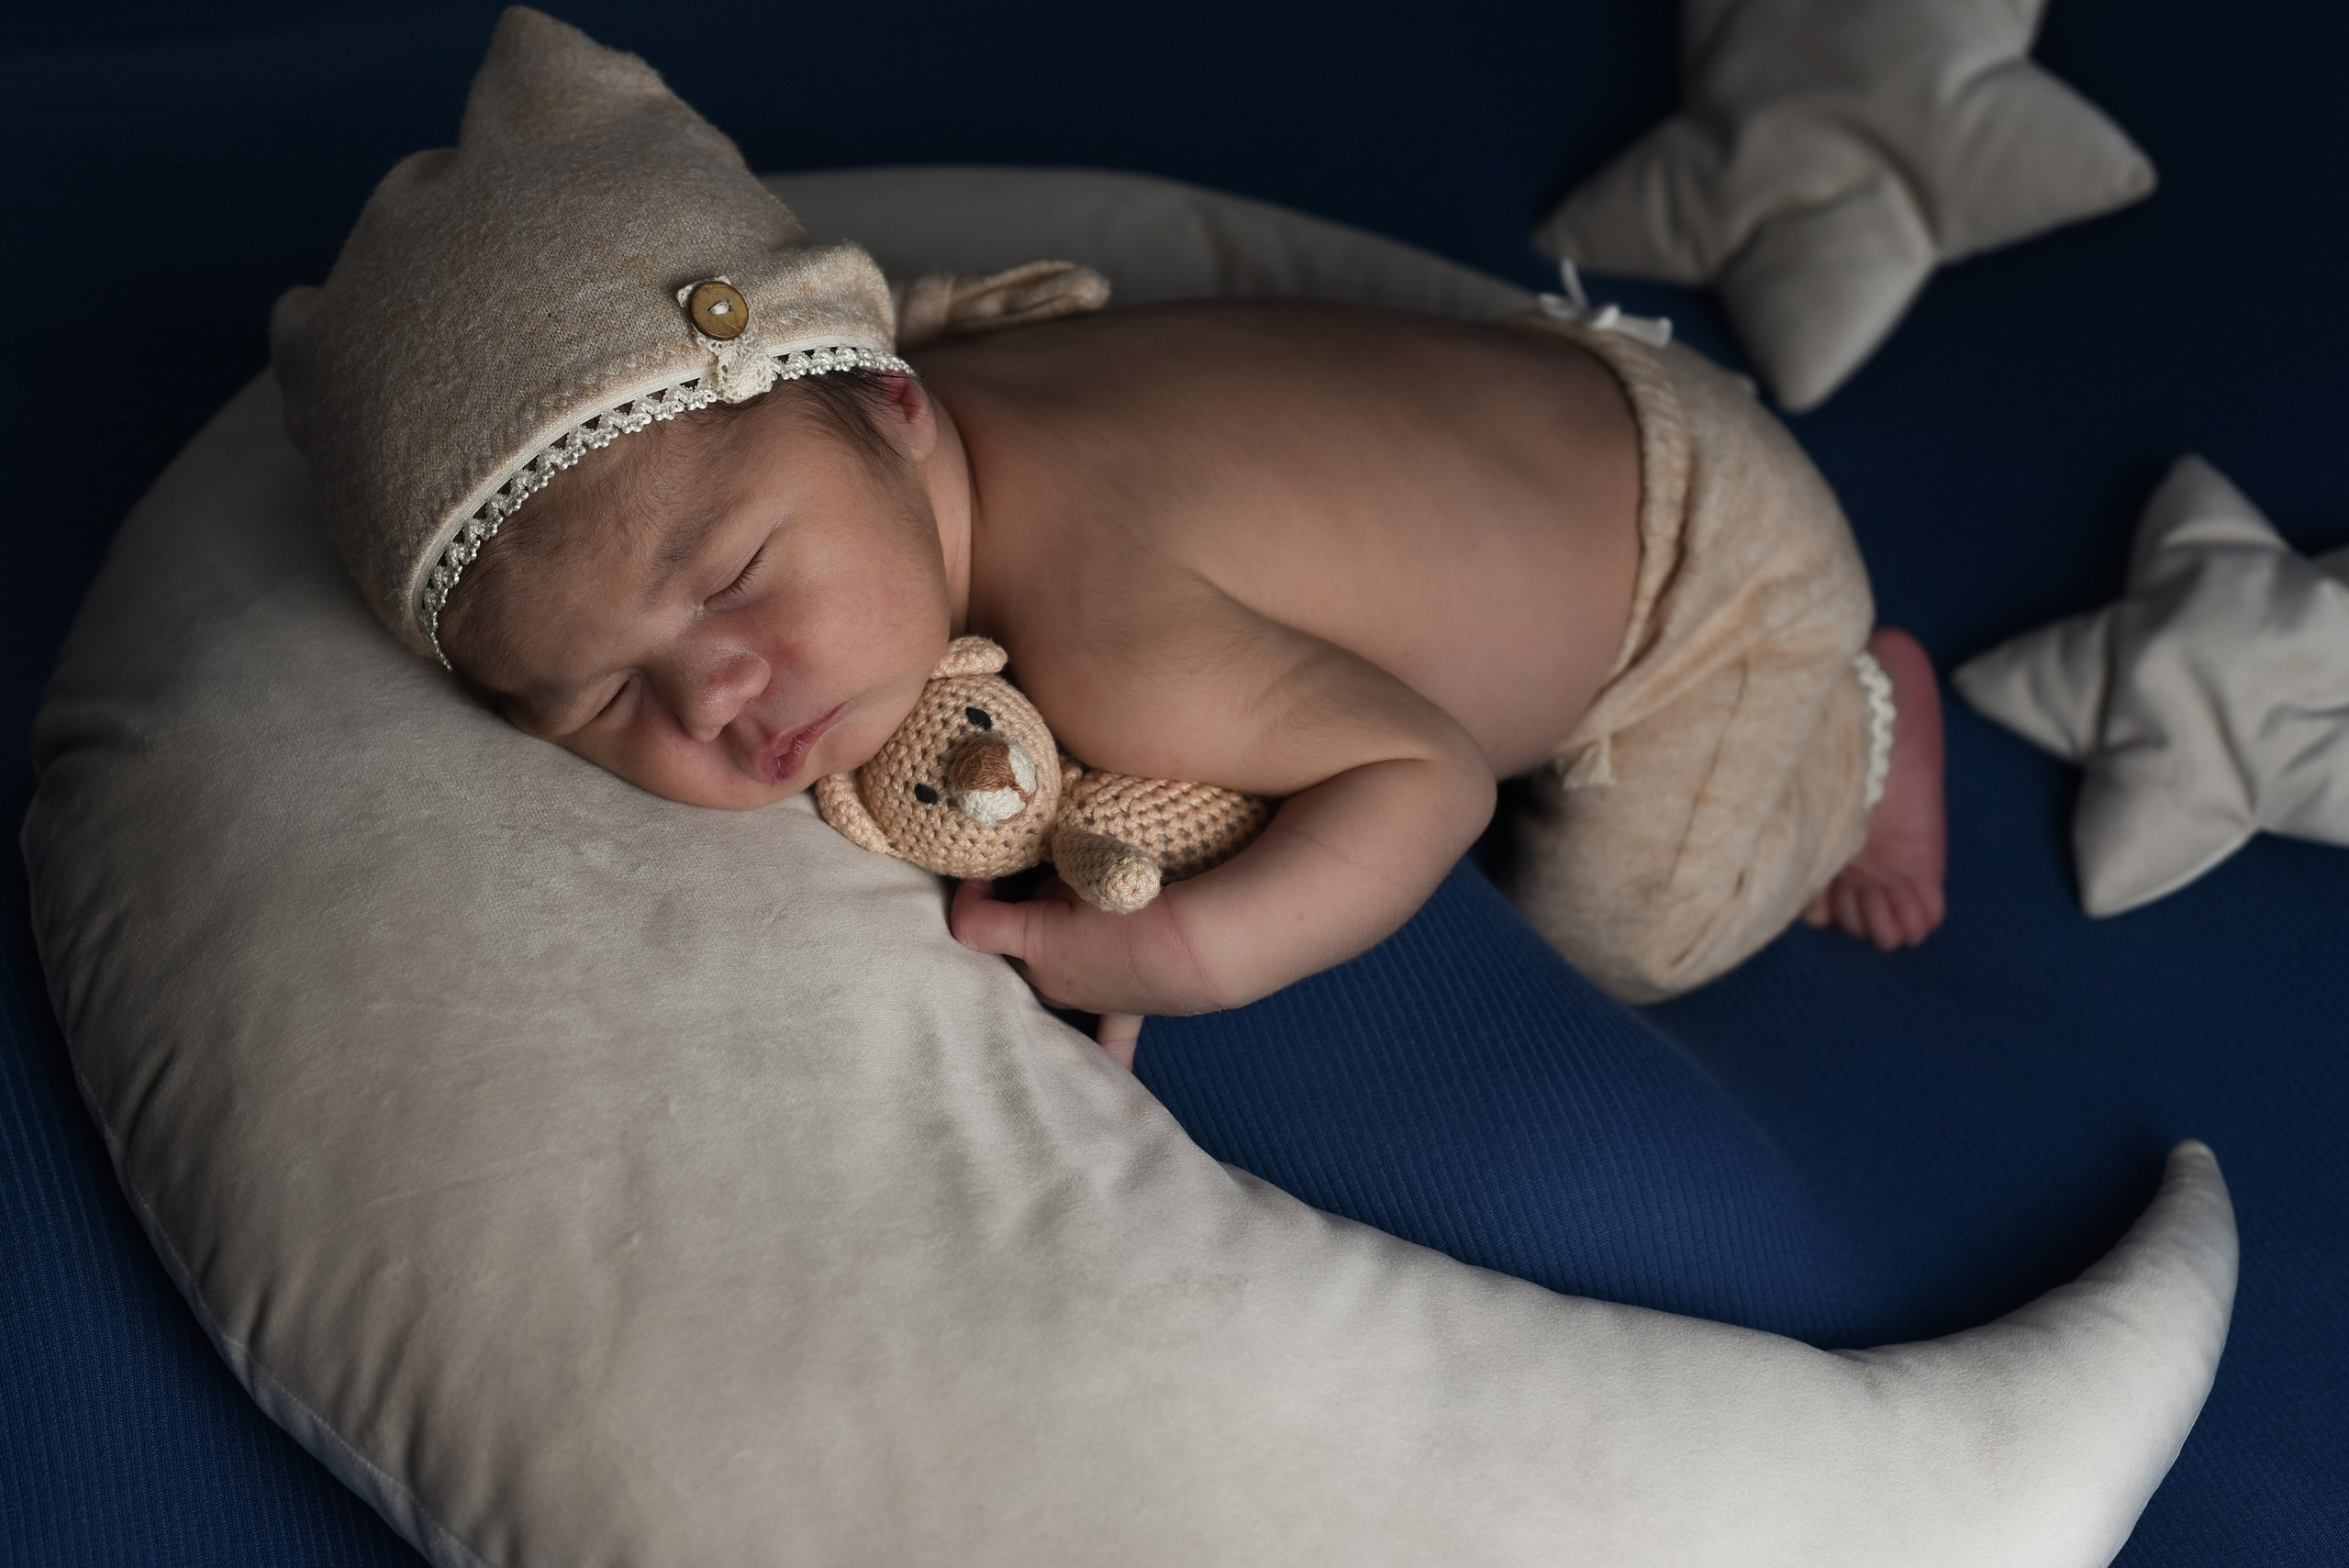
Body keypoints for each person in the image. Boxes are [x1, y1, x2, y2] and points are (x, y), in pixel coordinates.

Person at [273, 9, 1944, 1065]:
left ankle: (1867, 729)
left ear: (894, 402)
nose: (714, 693)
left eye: (726, 578)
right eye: (588, 702)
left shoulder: (1115, 627)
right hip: (1552, 396)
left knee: (1633, 925)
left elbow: (1423, 775)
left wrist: (1197, 948)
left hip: (1701, 573)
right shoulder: (917, 404)